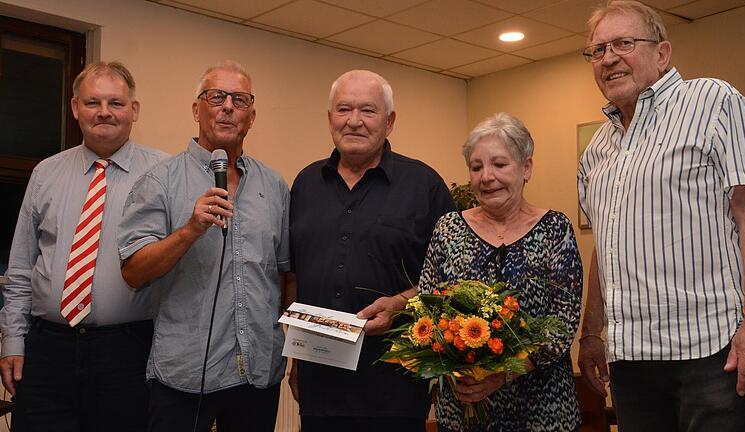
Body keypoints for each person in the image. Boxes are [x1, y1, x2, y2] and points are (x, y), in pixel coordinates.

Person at [577, 1, 745, 431]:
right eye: (598, 50)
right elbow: (604, 246)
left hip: (713, 352)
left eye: (623, 43)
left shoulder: (714, 102)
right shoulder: (595, 153)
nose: (608, 58)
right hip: (631, 360)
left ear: (662, 54)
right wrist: (592, 334)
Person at [117, 61, 289, 432]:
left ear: (252, 115)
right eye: (216, 97)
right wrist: (189, 230)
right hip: (185, 374)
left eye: (239, 100)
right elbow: (133, 273)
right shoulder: (159, 181)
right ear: (197, 109)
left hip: (258, 373)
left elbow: (284, 275)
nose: (228, 107)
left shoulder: (274, 186)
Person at [0, 61, 166, 431]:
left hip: (128, 353)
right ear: (76, 108)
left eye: (116, 103)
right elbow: (22, 267)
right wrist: (13, 341)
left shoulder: (165, 174)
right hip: (47, 352)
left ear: (134, 111)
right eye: (93, 102)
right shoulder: (46, 173)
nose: (104, 112)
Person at [288, 69, 456, 431]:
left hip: (395, 385)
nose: (354, 121)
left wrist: (400, 304)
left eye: (368, 110)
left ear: (389, 121)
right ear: (330, 118)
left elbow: (452, 280)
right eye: (344, 109)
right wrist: (297, 359)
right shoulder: (304, 184)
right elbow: (295, 277)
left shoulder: (424, 186)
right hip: (320, 387)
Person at [419, 113, 583, 431]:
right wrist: (451, 358)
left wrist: (503, 373)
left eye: (499, 164)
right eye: (476, 167)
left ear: (527, 168)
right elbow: (427, 308)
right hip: (464, 407)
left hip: (542, 410)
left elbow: (562, 323)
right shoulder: (448, 228)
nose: (486, 177)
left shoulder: (555, 229)